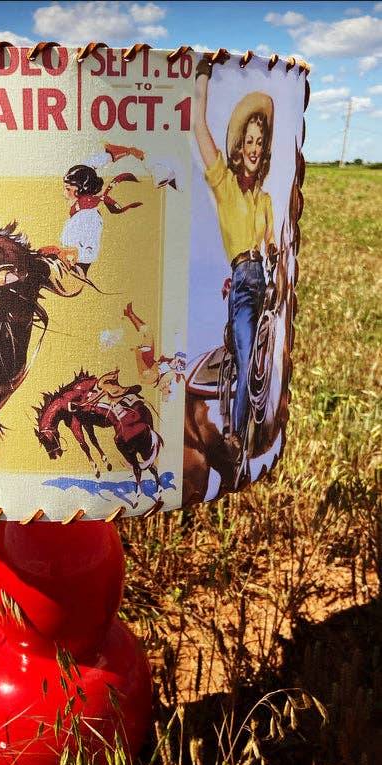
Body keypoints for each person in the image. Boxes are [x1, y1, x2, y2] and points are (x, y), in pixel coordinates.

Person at [194, 54, 278, 464]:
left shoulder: (265, 200)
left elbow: (273, 245)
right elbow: (198, 127)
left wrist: (276, 256)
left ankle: (264, 423)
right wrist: (203, 76)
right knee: (246, 359)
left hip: (263, 276)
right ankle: (235, 437)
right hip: (243, 280)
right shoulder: (225, 185)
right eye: (249, 141)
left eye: (260, 142)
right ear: (239, 146)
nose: (254, 149)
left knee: (268, 354)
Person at [38, 144, 146, 297]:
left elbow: (90, 253)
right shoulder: (81, 206)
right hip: (61, 265)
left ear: (80, 190)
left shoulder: (90, 216)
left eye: (68, 189)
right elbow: (87, 167)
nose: (64, 194)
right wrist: (111, 155)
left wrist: (66, 252)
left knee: (35, 267)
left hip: (73, 278)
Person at [123, 303, 186, 402]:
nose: (167, 387)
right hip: (151, 363)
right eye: (169, 390)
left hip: (147, 370)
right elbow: (178, 348)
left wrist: (138, 353)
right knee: (148, 333)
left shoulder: (156, 378)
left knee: (151, 375)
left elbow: (143, 368)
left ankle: (130, 315)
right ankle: (130, 314)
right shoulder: (176, 372)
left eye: (167, 391)